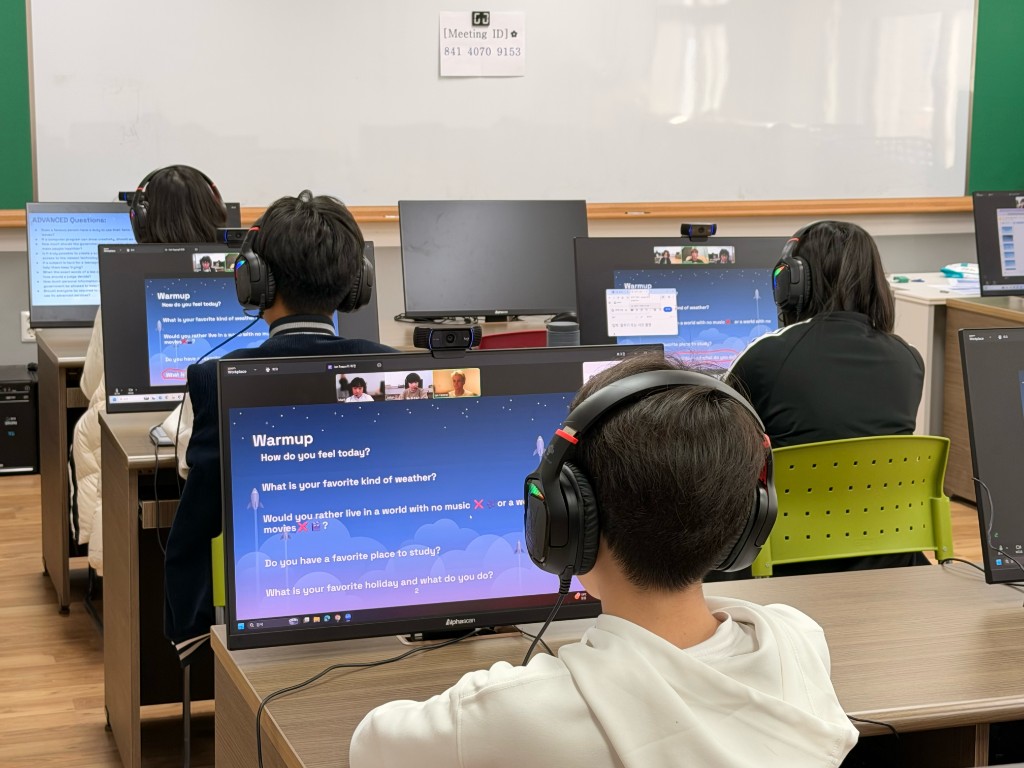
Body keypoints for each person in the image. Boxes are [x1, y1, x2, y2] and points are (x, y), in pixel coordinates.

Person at [350, 355, 858, 767]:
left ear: (565, 527)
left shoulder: (515, 712)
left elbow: (369, 744)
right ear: (747, 524)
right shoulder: (798, 639)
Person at [163, 191, 395, 651]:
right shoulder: (393, 369)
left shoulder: (215, 378)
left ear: (256, 282)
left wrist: (189, 632)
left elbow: (199, 520)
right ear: (356, 286)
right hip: (383, 600)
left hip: (271, 606)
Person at [725, 219, 925, 574]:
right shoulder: (909, 360)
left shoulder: (766, 357)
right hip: (888, 558)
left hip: (781, 561)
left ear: (792, 284)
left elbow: (716, 446)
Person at [70, 164, 226, 578]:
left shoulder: (121, 292)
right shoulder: (244, 287)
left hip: (141, 444)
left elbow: (90, 385)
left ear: (138, 222)